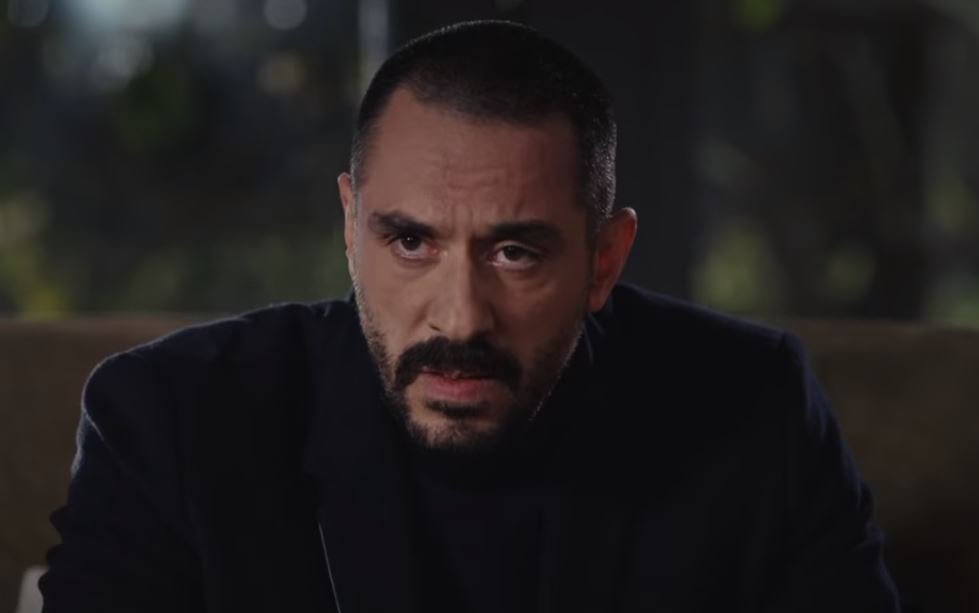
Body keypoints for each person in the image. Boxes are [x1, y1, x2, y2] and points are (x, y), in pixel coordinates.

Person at [40, 20, 900, 613]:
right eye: (411, 241)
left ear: (603, 260)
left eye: (515, 252)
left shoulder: (755, 412)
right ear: (351, 231)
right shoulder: (171, 419)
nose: (459, 318)